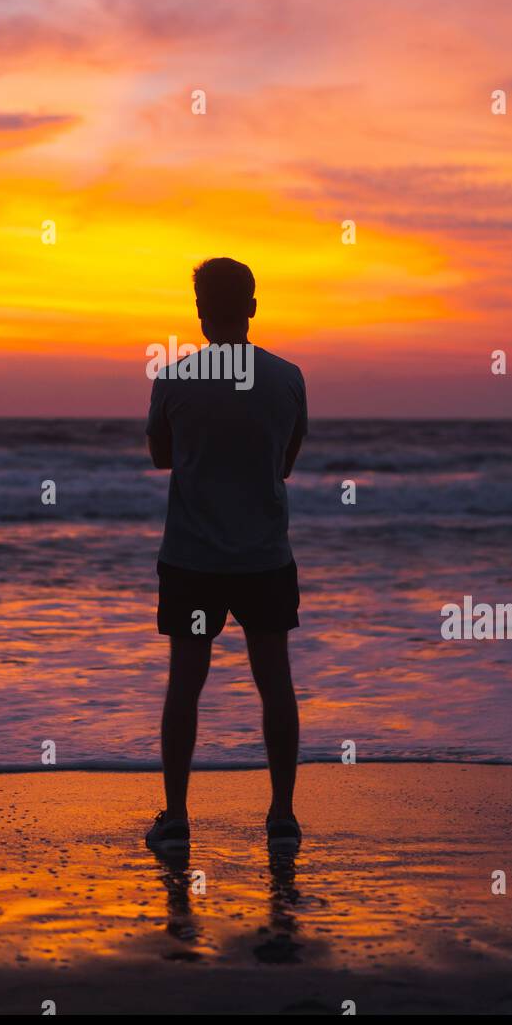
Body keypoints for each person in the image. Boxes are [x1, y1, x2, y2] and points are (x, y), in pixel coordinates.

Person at [144, 257, 307, 856]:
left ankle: (179, 817)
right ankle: (283, 815)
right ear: (253, 306)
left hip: (192, 559)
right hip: (265, 556)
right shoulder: (288, 377)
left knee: (185, 684)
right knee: (275, 682)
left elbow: (163, 457)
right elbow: (285, 462)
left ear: (200, 312)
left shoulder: (173, 379)